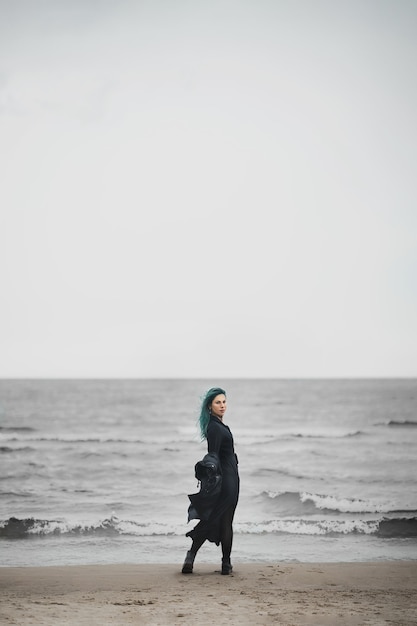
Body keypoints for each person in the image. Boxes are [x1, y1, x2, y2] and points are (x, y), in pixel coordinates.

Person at [182, 387, 239, 575]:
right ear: (210, 406)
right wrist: (212, 475)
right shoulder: (215, 427)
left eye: (224, 402)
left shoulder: (218, 425)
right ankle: (225, 564)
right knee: (223, 521)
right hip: (226, 480)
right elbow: (213, 454)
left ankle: (192, 556)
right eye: (218, 402)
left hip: (227, 477)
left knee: (214, 518)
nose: (222, 406)